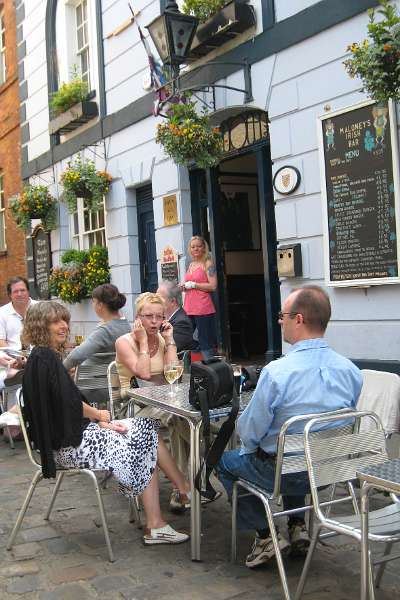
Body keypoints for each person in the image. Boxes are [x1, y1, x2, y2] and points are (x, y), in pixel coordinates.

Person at [21, 301, 191, 545]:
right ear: (40, 325)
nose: (64, 326)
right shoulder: (45, 358)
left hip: (69, 438)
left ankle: (167, 509)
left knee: (144, 428)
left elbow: (62, 407)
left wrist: (100, 424)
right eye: (56, 321)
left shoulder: (42, 356)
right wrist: (100, 417)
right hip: (66, 449)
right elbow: (68, 405)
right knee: (143, 436)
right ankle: (166, 511)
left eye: (64, 320)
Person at [216, 285, 362, 568]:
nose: (279, 321)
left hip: (284, 473)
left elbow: (249, 433)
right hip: (326, 472)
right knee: (295, 450)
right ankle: (297, 525)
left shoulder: (276, 373)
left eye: (282, 315)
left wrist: (253, 445)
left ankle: (264, 535)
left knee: (226, 462)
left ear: (299, 319)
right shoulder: (351, 371)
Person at [116, 292, 191, 513]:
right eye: (149, 316)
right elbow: (145, 373)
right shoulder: (124, 342)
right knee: (183, 422)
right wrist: (142, 342)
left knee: (183, 419)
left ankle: (184, 485)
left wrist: (169, 341)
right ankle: (189, 480)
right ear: (138, 317)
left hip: (162, 402)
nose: (155, 322)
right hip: (132, 406)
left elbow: (173, 374)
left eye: (160, 316)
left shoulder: (161, 338)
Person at [63, 284, 131, 406]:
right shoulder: (125, 325)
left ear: (100, 305)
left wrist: (60, 370)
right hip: (113, 382)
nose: (93, 305)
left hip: (95, 386)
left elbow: (76, 356)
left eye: (93, 302)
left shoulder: (105, 330)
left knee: (56, 388)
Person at [180, 236, 217, 360]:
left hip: (203, 307)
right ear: (190, 249)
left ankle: (211, 367)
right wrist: (184, 287)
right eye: (193, 246)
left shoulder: (208, 263)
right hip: (189, 307)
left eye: (199, 246)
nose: (196, 249)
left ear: (204, 248)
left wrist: (195, 285)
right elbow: (190, 284)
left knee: (205, 340)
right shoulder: (191, 264)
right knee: (184, 336)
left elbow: (213, 286)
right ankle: (191, 364)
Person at [157, 280, 197, 353]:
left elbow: (171, 349)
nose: (156, 301)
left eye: (160, 298)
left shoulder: (182, 322)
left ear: (172, 301)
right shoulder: (161, 318)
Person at [0, 276, 37, 349]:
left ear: (28, 291)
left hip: (40, 356)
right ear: (10, 295)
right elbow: (1, 341)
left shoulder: (41, 308)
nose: (20, 294)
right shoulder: (1, 313)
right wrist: (15, 357)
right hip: (12, 357)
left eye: (22, 290)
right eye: (15, 291)